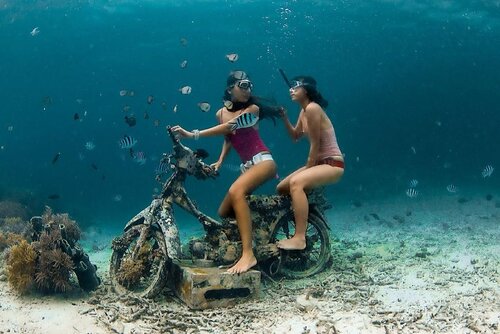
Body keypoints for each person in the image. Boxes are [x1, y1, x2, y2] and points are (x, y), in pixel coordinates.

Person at [171, 71, 279, 274]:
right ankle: (253, 236)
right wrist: (220, 161)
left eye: (249, 86)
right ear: (230, 89)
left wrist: (192, 134)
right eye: (243, 85)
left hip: (263, 161)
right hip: (247, 166)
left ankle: (248, 254)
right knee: (223, 212)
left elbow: (230, 127)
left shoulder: (252, 109)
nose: (248, 90)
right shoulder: (220, 113)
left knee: (236, 191)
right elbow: (229, 138)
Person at [276, 75, 344, 250]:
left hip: (332, 165)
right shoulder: (303, 110)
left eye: (295, 87)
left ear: (306, 90)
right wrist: (284, 118)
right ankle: (305, 212)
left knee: (296, 183)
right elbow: (295, 136)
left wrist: (308, 168)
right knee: (282, 188)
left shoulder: (313, 108)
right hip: (320, 164)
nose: (291, 90)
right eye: (290, 87)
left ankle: (300, 237)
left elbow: (315, 143)